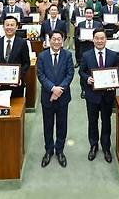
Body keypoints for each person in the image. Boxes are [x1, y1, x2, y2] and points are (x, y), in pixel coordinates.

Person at [79, 28, 119, 163]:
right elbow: (82, 71)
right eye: (97, 38)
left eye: (102, 38)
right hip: (92, 95)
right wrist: (87, 79)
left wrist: (114, 81)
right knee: (92, 121)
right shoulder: (86, 55)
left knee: (106, 122)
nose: (100, 41)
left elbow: (118, 73)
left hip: (107, 95)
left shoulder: (113, 55)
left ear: (106, 40)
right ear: (93, 40)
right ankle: (94, 145)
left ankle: (106, 147)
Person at [37, 30, 74, 168]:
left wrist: (59, 90)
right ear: (50, 40)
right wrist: (53, 89)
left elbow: (70, 74)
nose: (57, 42)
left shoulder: (68, 55)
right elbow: (41, 75)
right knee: (48, 125)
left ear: (63, 40)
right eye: (54, 39)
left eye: (59, 39)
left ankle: (60, 151)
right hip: (47, 97)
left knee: (61, 125)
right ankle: (48, 151)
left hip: (63, 97)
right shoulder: (42, 56)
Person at [0, 16, 30, 97]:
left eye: (12, 25)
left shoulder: (22, 43)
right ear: (3, 27)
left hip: (16, 86)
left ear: (17, 27)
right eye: (7, 25)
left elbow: (26, 63)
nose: (9, 27)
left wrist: (19, 78)